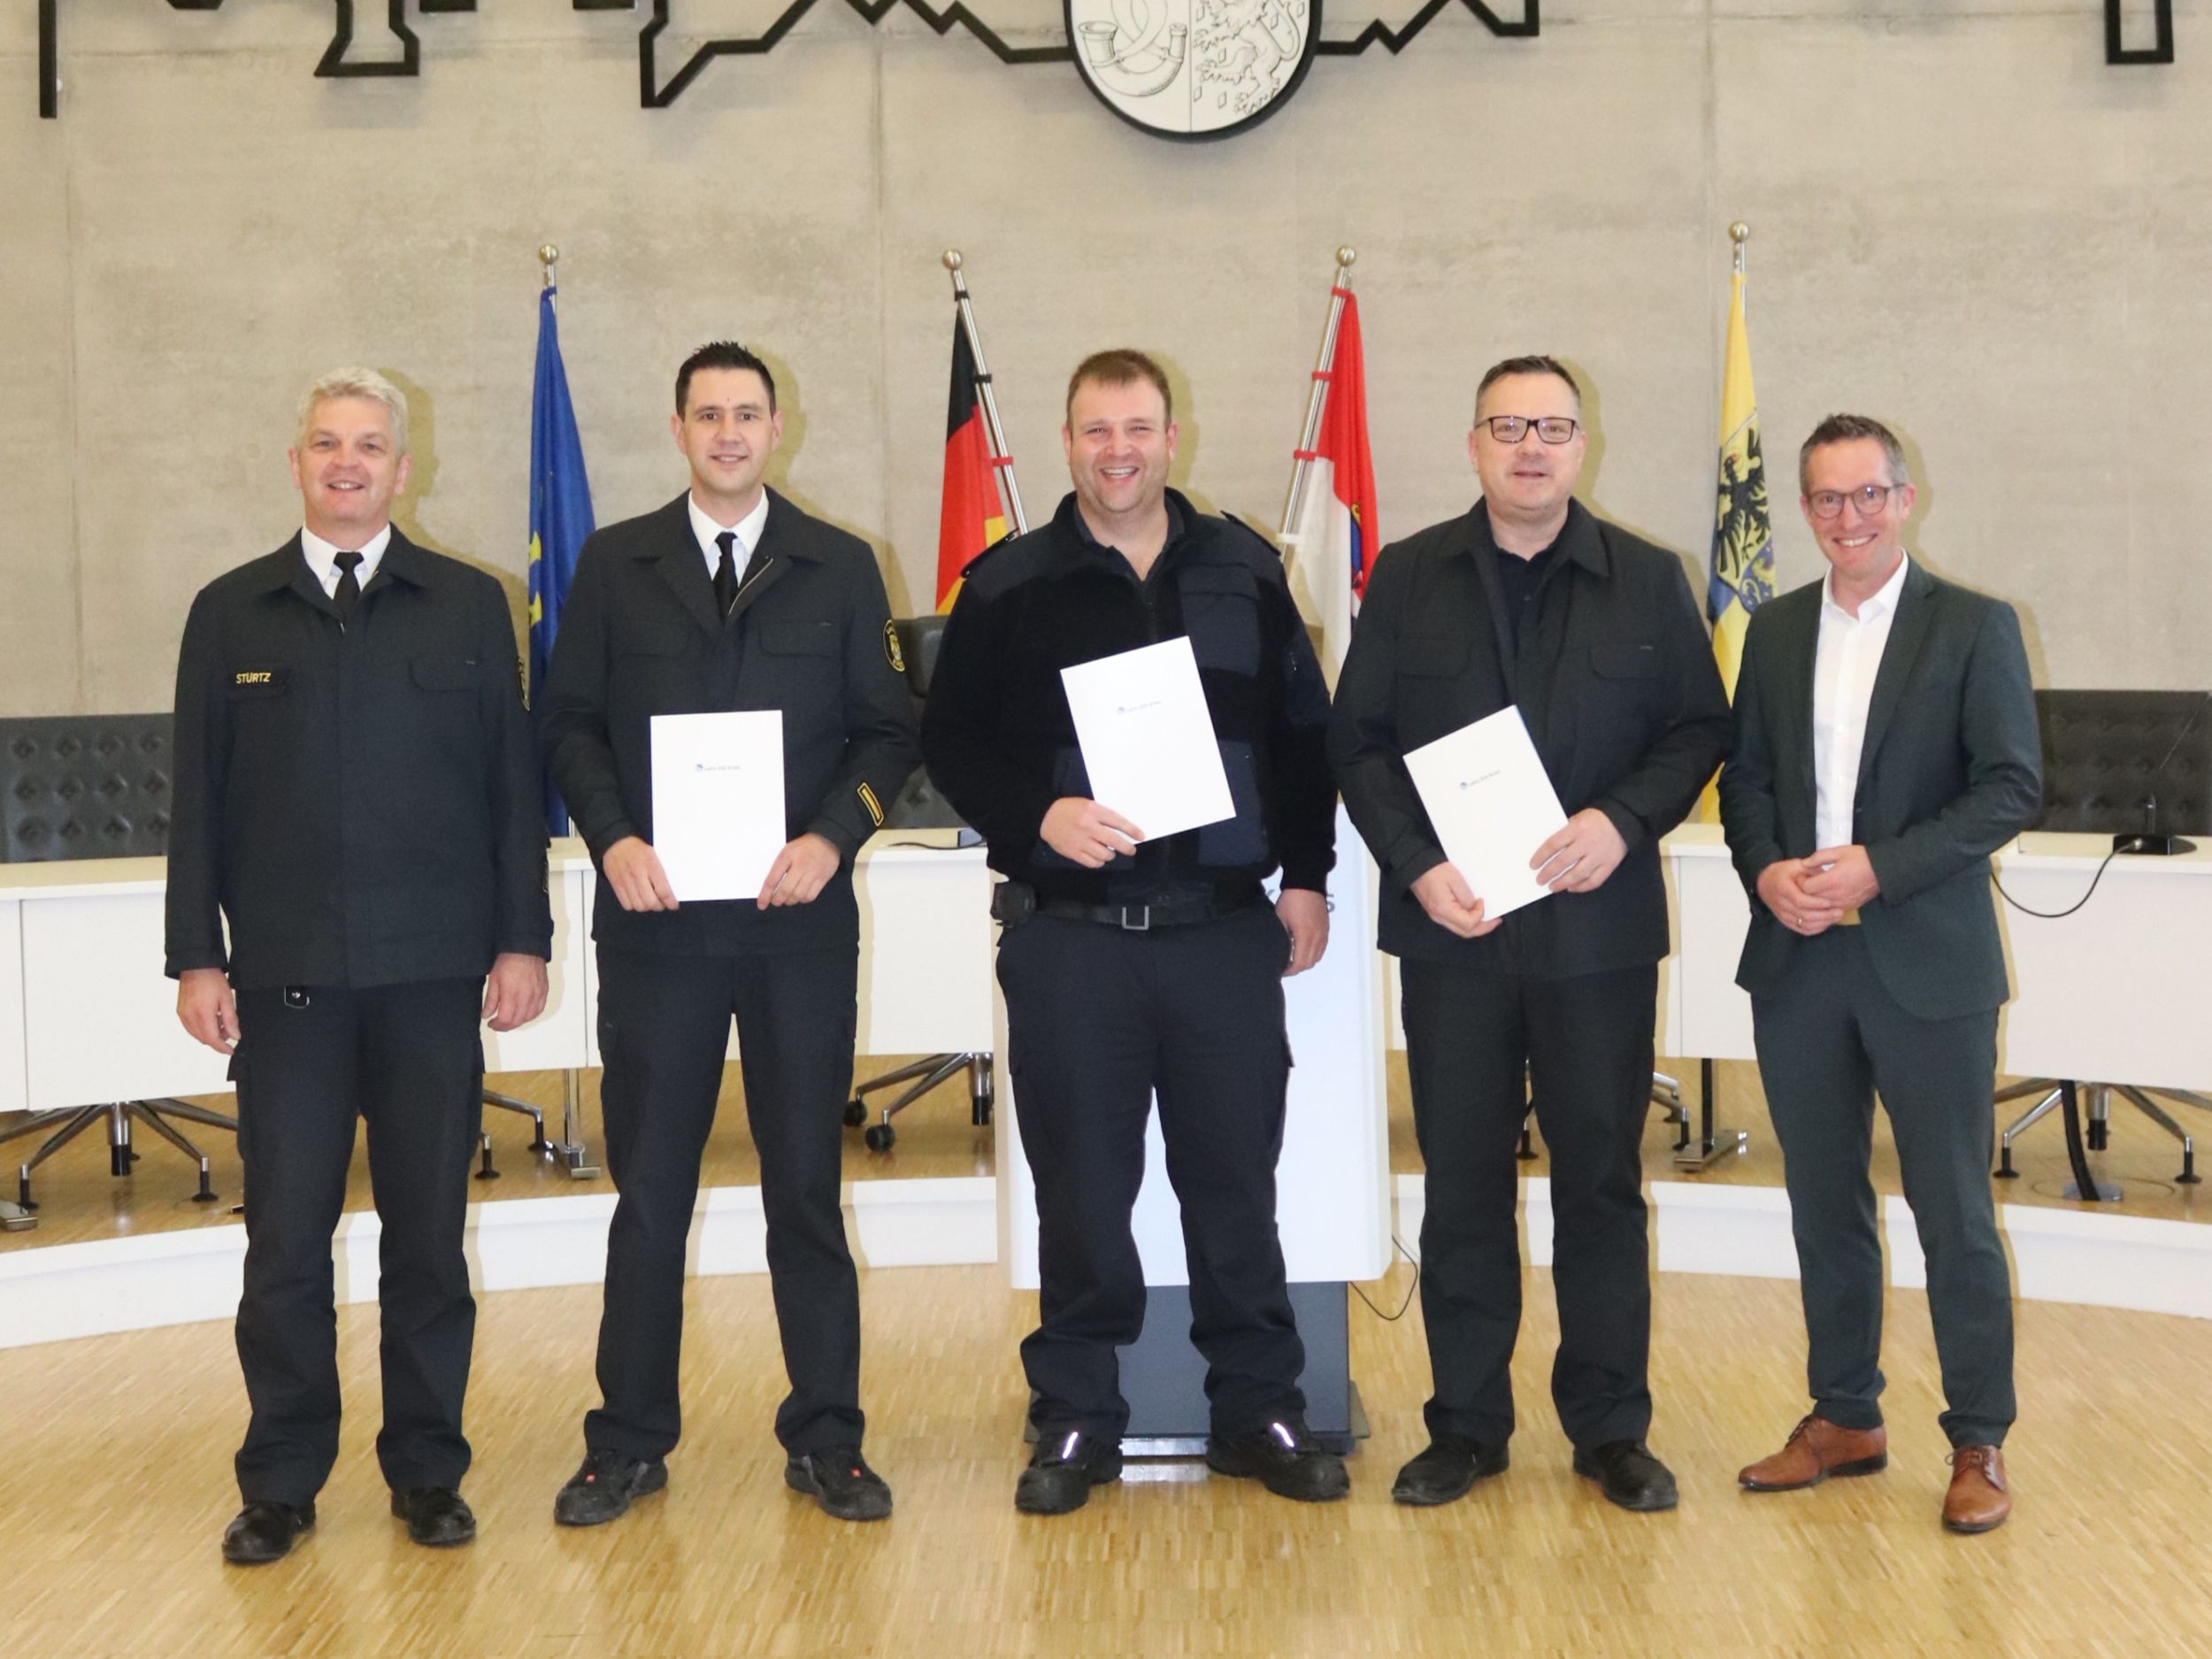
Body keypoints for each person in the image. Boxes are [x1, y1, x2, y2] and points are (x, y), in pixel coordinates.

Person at [920, 349, 1343, 1515]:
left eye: (1140, 427)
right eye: (1097, 430)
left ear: (1173, 435)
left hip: (1219, 931)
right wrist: (1035, 812)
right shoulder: (1007, 582)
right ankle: (1074, 1415)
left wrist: (1307, 876)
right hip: (1072, 939)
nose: (1120, 450)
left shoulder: (1245, 568)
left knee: (1232, 1186)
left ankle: (1258, 1403)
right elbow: (949, 741)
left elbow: (1307, 739)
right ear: (1067, 441)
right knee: (1083, 1191)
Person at [1329, 355, 1731, 1512]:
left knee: (1599, 1184)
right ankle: (1465, 1424)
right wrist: (1417, 863)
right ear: (1474, 444)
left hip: (1595, 938)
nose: (1532, 447)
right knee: (1460, 1186)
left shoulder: (1648, 579)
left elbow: (1700, 724)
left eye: (1553, 426)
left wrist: (1624, 818)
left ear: (1581, 444)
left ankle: (1611, 1428)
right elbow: (1359, 742)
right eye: (1508, 426)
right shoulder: (1407, 578)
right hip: (1457, 933)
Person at [166, 367, 551, 1565]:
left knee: (428, 1236)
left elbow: (509, 791)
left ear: (404, 466)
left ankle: (426, 1468)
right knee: (284, 1238)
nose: (348, 462)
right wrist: (196, 956)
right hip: (286, 980)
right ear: (297, 462)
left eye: (370, 445)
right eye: (327, 443)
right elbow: (200, 804)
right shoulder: (230, 611)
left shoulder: (470, 606)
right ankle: (281, 1475)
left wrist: (523, 936)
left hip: (433, 974)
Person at [538, 342, 918, 1525]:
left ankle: (829, 1438)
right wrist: (610, 835)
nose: (729, 432)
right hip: (656, 928)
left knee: (804, 1187)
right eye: (708, 414)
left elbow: (888, 733)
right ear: (680, 428)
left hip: (795, 927)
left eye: (747, 412)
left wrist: (831, 836)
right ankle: (627, 1439)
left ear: (776, 424)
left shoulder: (842, 565)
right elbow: (567, 722)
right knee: (650, 1190)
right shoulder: (615, 563)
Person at [1718, 414, 2040, 1533]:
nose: (1846, 518)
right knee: (1822, 1202)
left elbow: (2009, 787)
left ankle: (1977, 1440)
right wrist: (1766, 871)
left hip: (1926, 964)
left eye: (1867, 496)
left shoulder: (1974, 627)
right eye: (1824, 499)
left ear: (1905, 498)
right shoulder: (1771, 631)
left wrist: (1877, 871)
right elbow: (1745, 779)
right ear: (1802, 510)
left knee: (1952, 1209)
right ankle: (1844, 1414)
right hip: (1798, 960)